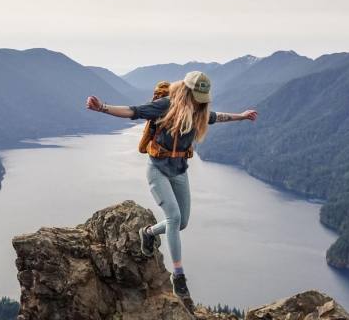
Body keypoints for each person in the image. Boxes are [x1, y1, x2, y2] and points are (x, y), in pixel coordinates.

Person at [86, 71, 257, 300]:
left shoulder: (199, 111)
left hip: (179, 172)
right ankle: (179, 276)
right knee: (174, 218)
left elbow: (218, 116)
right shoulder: (164, 106)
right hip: (157, 170)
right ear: (187, 91)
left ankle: (147, 233)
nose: (200, 101)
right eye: (196, 96)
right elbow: (133, 111)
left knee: (182, 222)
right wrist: (103, 107)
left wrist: (242, 116)